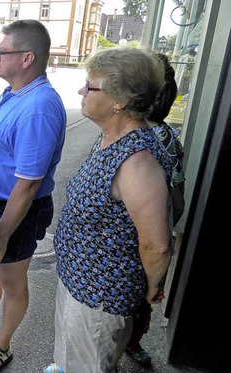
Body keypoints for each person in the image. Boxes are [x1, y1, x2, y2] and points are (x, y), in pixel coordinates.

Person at [46, 47, 172, 373]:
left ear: (121, 100)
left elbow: (157, 245)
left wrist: (153, 287)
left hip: (99, 302)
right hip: (80, 284)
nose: (81, 91)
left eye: (90, 86)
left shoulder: (137, 161)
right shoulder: (110, 139)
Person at [0, 20, 67, 373]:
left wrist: (0, 236)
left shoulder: (39, 107)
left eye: (1, 51)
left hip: (14, 211)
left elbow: (26, 186)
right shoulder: (13, 92)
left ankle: (1, 344)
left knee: (11, 280)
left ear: (26, 58)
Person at [124, 52, 186, 367]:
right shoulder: (170, 140)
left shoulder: (131, 137)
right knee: (144, 300)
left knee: (130, 301)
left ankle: (121, 345)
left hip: (131, 242)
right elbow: (178, 202)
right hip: (150, 238)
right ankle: (132, 342)